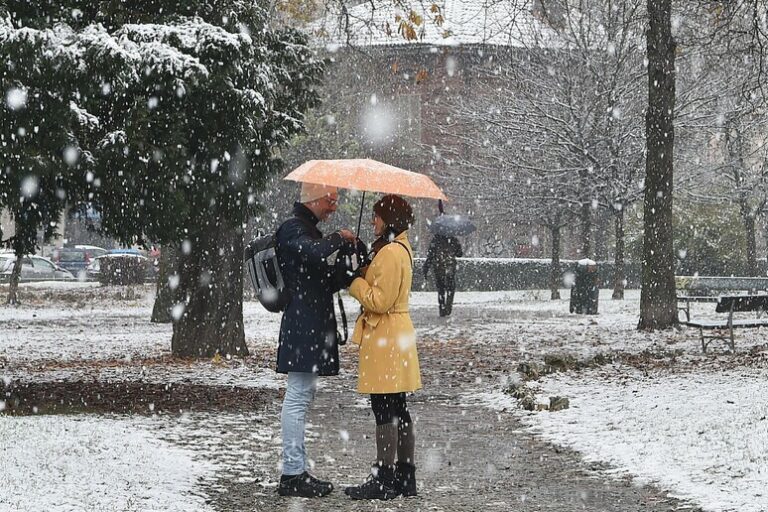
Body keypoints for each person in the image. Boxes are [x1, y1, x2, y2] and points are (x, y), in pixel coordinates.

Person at [274, 182, 356, 498]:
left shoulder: (308, 231)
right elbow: (310, 253)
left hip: (309, 324)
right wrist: (339, 239)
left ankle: (297, 471)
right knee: (297, 397)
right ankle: (292, 474)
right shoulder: (294, 229)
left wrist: (349, 258)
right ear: (316, 200)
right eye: (331, 200)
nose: (334, 207)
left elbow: (325, 281)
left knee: (302, 395)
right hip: (302, 324)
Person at [345, 194, 422, 501]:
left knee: (384, 408)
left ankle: (384, 477)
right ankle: (404, 476)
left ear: (389, 218)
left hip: (386, 335)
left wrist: (355, 282)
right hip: (395, 335)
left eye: (377, 216)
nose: (373, 221)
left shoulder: (390, 252)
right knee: (398, 406)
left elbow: (380, 301)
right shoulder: (399, 248)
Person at [423, 234, 463, 316]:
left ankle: (442, 308)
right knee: (451, 288)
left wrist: (426, 267)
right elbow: (460, 254)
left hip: (439, 268)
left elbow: (430, 255)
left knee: (441, 289)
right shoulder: (453, 239)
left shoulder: (435, 240)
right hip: (450, 267)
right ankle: (448, 306)